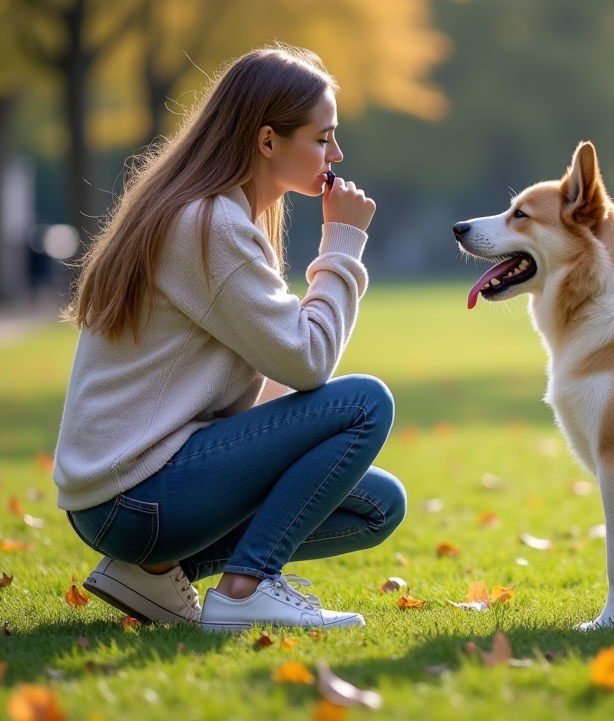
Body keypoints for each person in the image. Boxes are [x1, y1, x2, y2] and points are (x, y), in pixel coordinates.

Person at [53, 45, 405, 631]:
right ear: (267, 141)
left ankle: (154, 570)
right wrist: (342, 244)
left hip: (126, 497)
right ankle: (246, 589)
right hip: (134, 497)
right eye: (323, 138)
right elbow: (309, 362)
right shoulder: (209, 224)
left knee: (376, 504)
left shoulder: (208, 215)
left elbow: (263, 379)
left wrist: (297, 432)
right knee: (365, 403)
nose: (336, 154)